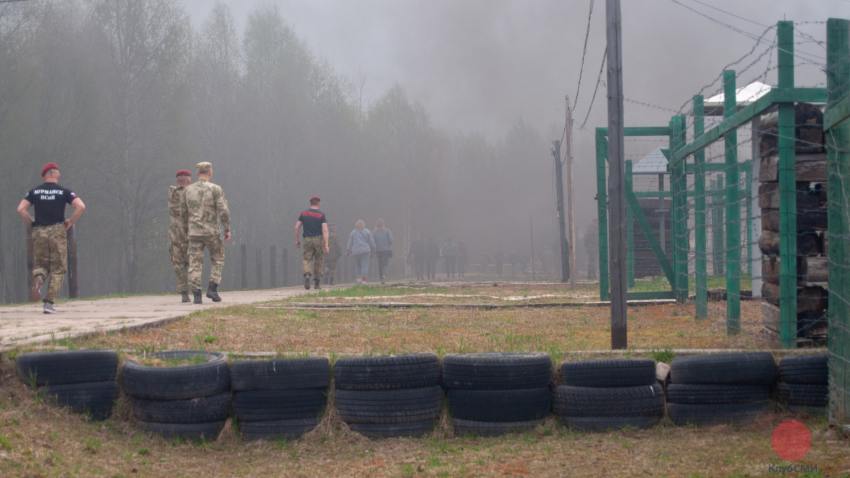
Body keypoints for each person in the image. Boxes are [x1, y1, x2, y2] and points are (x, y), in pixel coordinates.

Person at [16, 162, 86, 314]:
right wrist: (70, 222)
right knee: (58, 269)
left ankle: (39, 279)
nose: (59, 175)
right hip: (57, 231)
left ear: (44, 176)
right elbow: (81, 206)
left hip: (39, 231)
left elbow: (21, 209)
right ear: (53, 174)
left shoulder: (34, 192)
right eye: (58, 172)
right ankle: (48, 303)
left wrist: (32, 223)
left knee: (41, 264)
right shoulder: (64, 192)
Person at [184, 161, 231, 304]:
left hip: (194, 231)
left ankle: (197, 293)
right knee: (218, 259)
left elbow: (184, 211)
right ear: (210, 172)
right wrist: (227, 228)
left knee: (195, 262)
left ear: (198, 173)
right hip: (211, 231)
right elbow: (223, 210)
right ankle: (212, 288)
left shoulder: (188, 190)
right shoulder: (215, 189)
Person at [295, 196, 329, 290]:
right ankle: (317, 282)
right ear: (318, 203)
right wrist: (326, 244)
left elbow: (296, 227)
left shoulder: (304, 213)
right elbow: (325, 230)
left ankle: (307, 274)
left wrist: (297, 240)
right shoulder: (321, 215)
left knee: (307, 259)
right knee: (319, 260)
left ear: (310, 203)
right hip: (318, 239)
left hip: (307, 239)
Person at [168, 169, 192, 303]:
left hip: (192, 234)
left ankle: (195, 289)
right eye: (180, 178)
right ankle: (184, 291)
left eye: (185, 178)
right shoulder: (174, 192)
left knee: (193, 263)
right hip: (176, 235)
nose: (182, 180)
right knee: (178, 264)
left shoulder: (195, 192)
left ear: (190, 179)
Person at [346, 219, 375, 284]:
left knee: (357, 265)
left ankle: (358, 279)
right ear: (364, 225)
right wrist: (373, 248)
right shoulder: (367, 232)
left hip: (355, 251)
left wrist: (348, 250)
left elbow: (350, 242)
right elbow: (371, 242)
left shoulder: (353, 232)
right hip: (365, 251)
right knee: (364, 265)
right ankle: (364, 280)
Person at [372, 218, 394, 284]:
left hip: (378, 250)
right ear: (383, 224)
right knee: (385, 263)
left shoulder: (374, 232)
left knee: (380, 264)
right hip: (386, 250)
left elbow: (373, 241)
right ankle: (384, 275)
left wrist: (374, 248)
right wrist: (389, 244)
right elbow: (391, 240)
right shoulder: (387, 231)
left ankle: (381, 277)